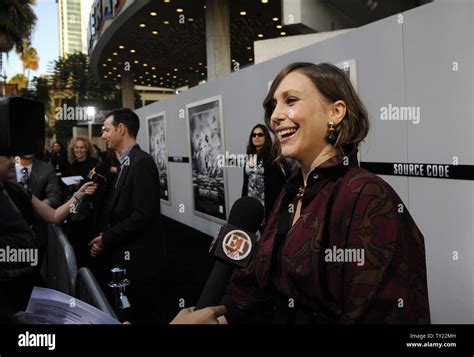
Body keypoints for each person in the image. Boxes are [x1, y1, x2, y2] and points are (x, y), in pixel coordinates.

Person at [216, 62, 430, 324]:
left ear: (335, 112)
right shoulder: (291, 192)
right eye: (274, 106)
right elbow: (260, 284)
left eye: (290, 100)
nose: (275, 117)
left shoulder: (367, 195)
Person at [89, 108, 166, 324]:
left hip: (141, 265)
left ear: (121, 129)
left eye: (106, 130)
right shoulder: (125, 162)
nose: (103, 135)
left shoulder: (141, 163)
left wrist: (106, 238)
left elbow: (141, 215)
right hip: (126, 258)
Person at [0, 155, 96, 315]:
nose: (12, 161)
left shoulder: (18, 190)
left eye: (12, 157)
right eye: (7, 157)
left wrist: (79, 196)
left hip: (27, 281)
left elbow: (54, 215)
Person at [242, 124, 290, 232]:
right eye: (253, 135)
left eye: (260, 134)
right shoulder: (251, 157)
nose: (256, 137)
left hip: (268, 206)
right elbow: (247, 182)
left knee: (268, 236)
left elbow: (285, 180)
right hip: (252, 206)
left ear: (266, 137)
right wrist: (243, 203)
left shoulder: (274, 157)